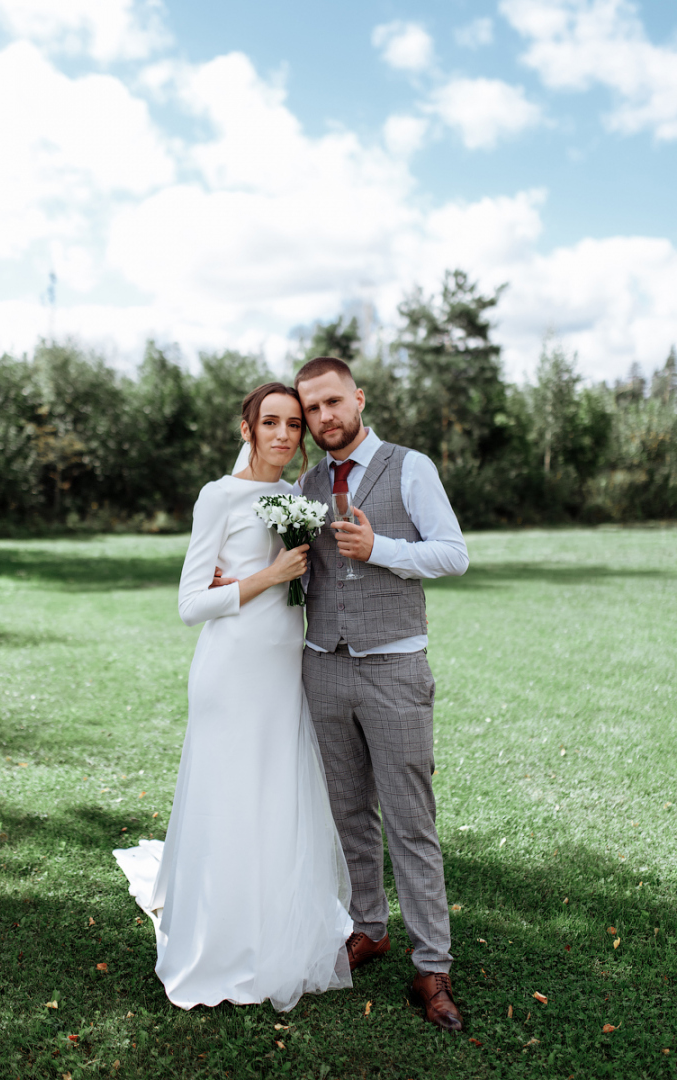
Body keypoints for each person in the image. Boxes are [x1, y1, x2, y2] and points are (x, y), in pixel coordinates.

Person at [113, 381, 352, 1012]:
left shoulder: (295, 496)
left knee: (274, 791)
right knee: (230, 793)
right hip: (229, 668)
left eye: (294, 425)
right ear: (246, 429)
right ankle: (221, 939)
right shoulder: (217, 496)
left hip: (282, 663)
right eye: (269, 422)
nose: (283, 434)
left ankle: (271, 926)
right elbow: (192, 604)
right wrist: (264, 577)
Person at [294, 356, 469, 1031]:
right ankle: (369, 926)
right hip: (323, 669)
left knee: (410, 823)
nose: (324, 418)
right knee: (349, 814)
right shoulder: (306, 484)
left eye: (334, 402)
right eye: (313, 409)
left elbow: (453, 554)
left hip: (395, 669)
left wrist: (381, 549)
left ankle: (432, 967)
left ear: (358, 399)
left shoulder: (410, 466)